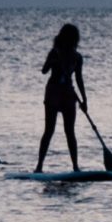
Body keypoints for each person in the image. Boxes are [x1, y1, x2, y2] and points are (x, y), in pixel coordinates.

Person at [35, 22, 86, 173]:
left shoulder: (77, 57)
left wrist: (84, 100)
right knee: (49, 130)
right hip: (53, 93)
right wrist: (52, 62)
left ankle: (75, 167)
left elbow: (79, 79)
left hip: (69, 95)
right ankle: (39, 166)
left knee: (70, 132)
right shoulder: (54, 52)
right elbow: (44, 71)